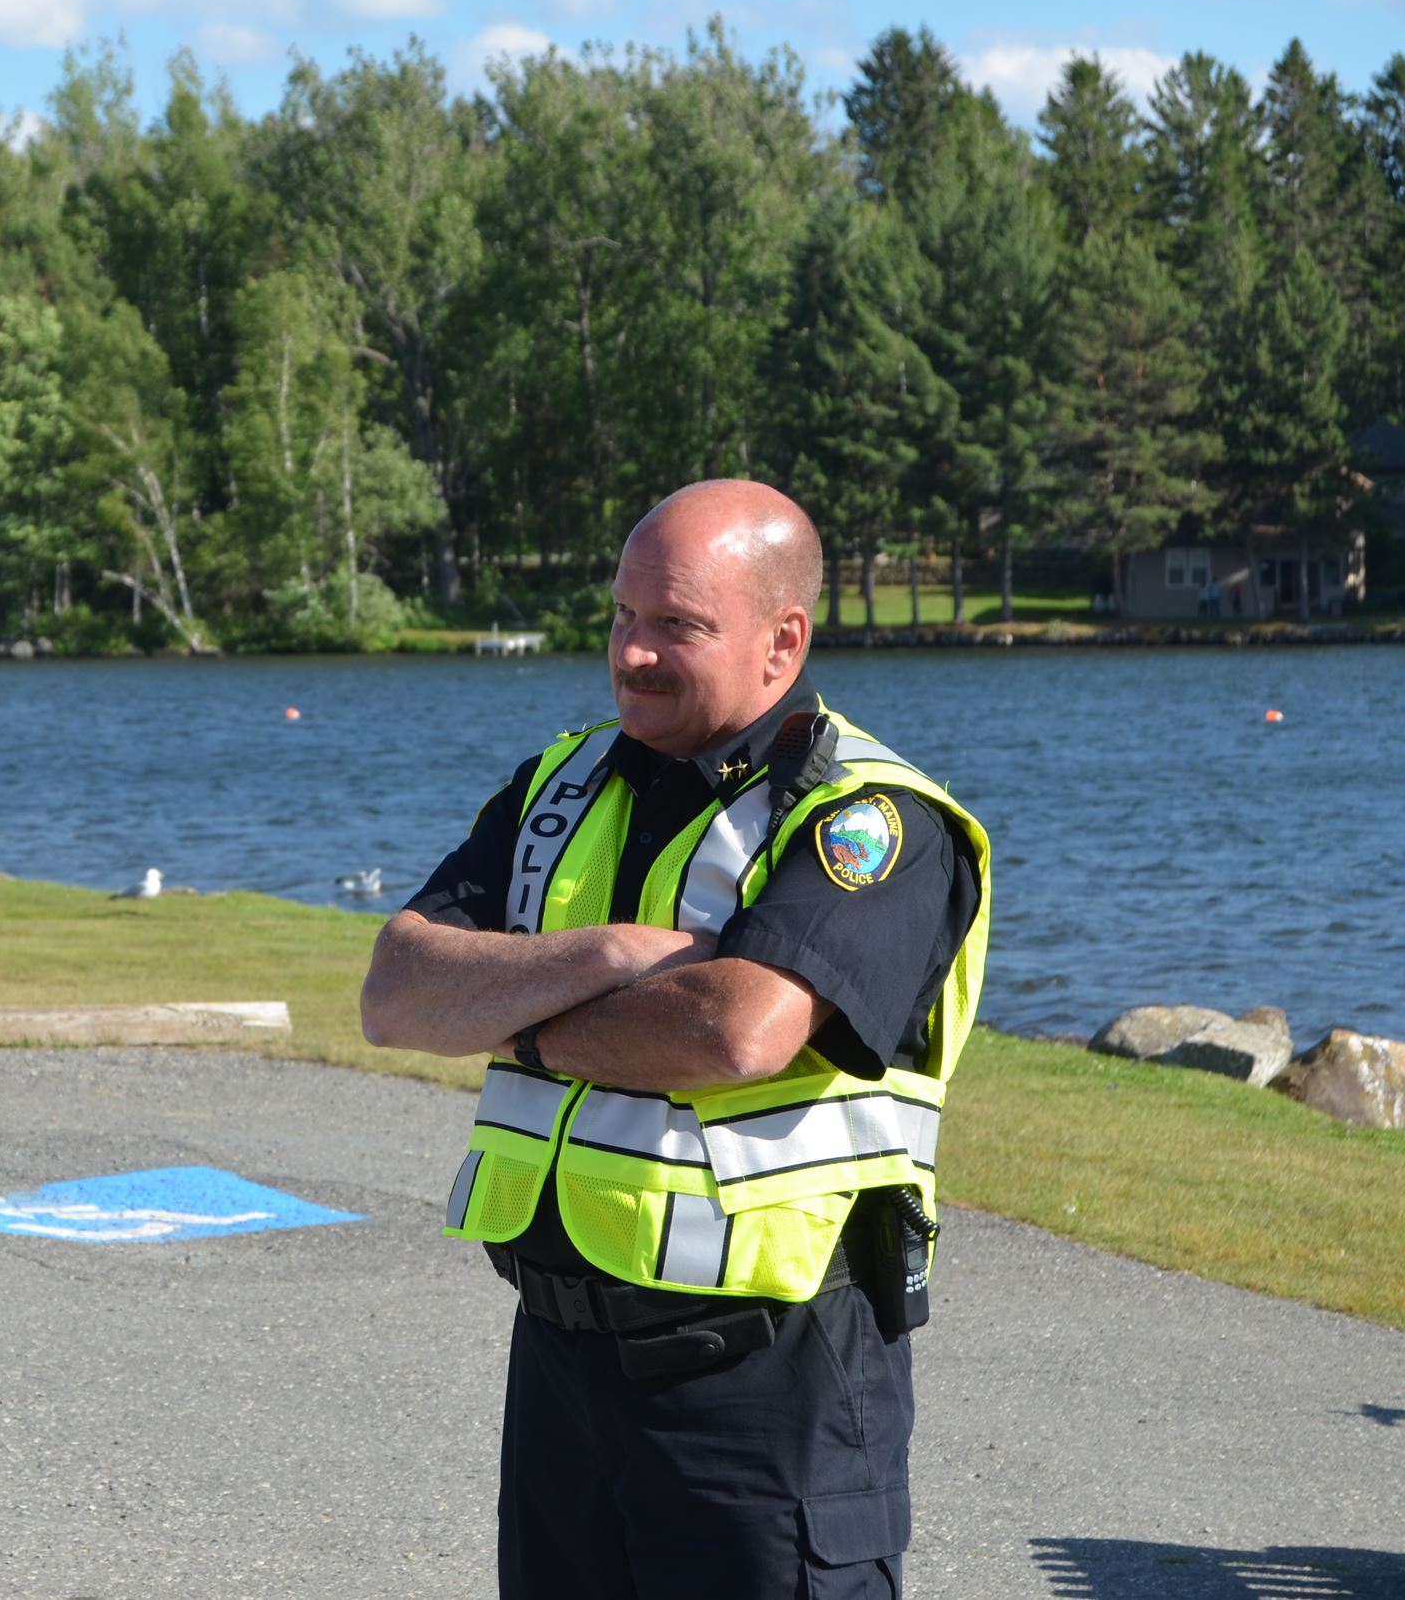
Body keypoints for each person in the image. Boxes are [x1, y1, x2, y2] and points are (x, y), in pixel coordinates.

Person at [360, 480, 991, 1599]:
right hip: (560, 1373)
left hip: (765, 1398)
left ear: (780, 640)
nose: (632, 655)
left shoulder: (868, 819)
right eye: (622, 617)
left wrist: (516, 1026)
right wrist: (603, 956)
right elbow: (396, 997)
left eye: (677, 627)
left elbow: (736, 1029)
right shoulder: (558, 786)